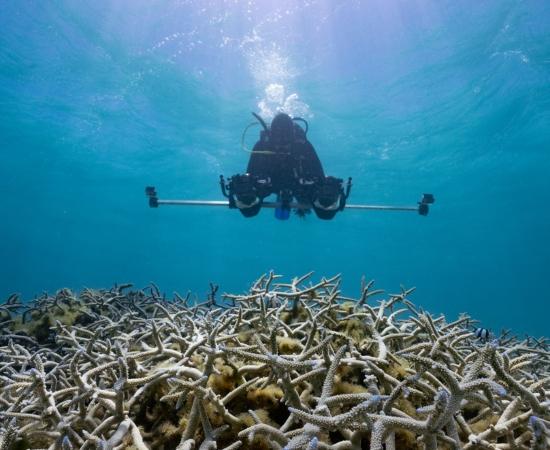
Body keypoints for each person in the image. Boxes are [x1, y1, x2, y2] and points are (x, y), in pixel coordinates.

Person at [225, 112, 349, 220]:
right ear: (271, 136)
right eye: (278, 142)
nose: (281, 148)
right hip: (268, 186)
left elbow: (319, 176)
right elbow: (250, 176)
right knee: (249, 206)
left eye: (286, 142)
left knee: (325, 209)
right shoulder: (262, 146)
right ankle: (299, 206)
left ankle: (303, 209)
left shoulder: (303, 146)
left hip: (300, 187)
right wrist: (243, 188)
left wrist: (328, 191)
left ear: (293, 137)